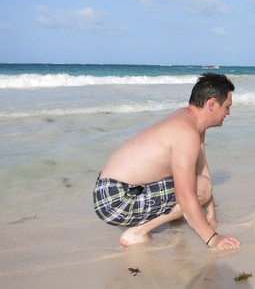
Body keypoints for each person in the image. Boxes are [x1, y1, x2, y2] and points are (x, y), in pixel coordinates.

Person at [93, 73, 241, 250]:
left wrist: (211, 216)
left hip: (111, 190)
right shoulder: (186, 132)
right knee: (196, 189)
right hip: (115, 200)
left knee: (199, 183)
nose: (228, 112)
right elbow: (186, 194)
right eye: (227, 106)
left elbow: (202, 172)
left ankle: (173, 219)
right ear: (212, 104)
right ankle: (137, 233)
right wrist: (212, 238)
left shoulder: (189, 120)